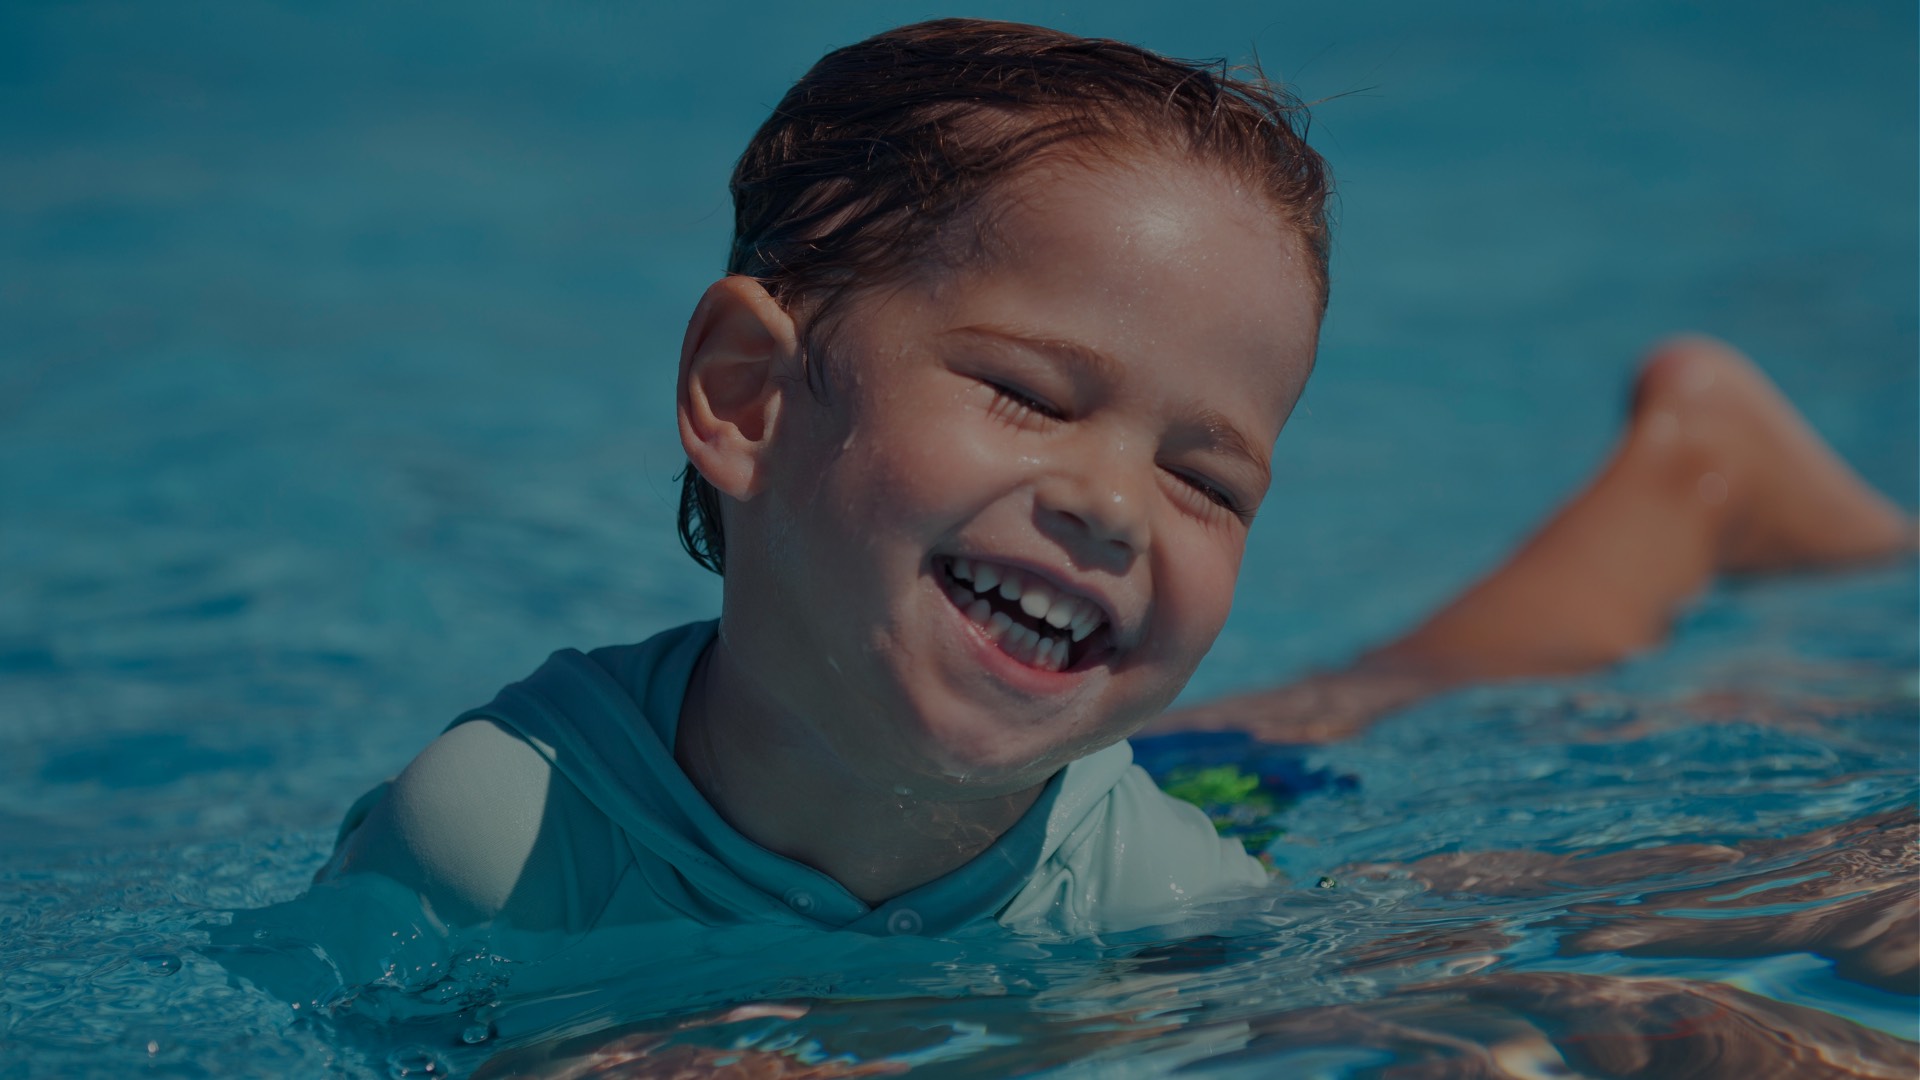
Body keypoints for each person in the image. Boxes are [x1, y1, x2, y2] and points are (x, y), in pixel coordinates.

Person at [315, 19, 1912, 949]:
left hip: (1185, 801)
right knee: (1348, 698)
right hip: (1162, 787)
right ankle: (1693, 475)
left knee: (1371, 707)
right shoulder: (500, 839)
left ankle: (1696, 473)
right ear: (748, 398)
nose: (1117, 504)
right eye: (1026, 393)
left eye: (1209, 478)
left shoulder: (1158, 892)